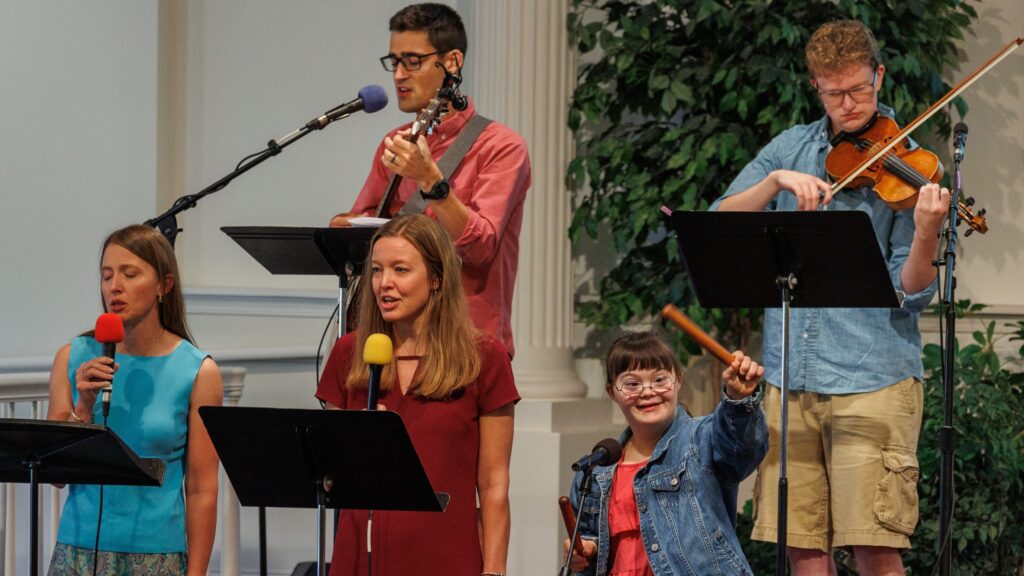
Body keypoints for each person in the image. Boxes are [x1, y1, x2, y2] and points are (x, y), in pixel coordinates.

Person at [710, 20, 947, 575]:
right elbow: (721, 218)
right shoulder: (791, 146)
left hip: (873, 378)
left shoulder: (907, 166)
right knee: (802, 547)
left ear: (879, 76)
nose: (848, 104)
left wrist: (929, 230)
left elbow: (909, 292)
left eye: (859, 90)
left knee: (875, 546)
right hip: (791, 379)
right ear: (815, 85)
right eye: (833, 92)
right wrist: (774, 184)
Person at [316, 214, 518, 576]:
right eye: (377, 270)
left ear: (436, 278)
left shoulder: (484, 358)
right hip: (360, 557)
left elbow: (493, 485)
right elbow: (329, 477)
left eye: (400, 270)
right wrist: (353, 444)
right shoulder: (349, 353)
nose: (384, 284)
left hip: (446, 557)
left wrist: (495, 569)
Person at [329, 2, 531, 357]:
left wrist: (431, 181)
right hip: (390, 342)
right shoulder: (394, 144)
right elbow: (363, 224)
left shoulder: (501, 146)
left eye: (413, 61)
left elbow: (481, 249)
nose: (399, 75)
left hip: (466, 342)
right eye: (395, 62)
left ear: (451, 62)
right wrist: (342, 227)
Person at [46, 224, 222, 575]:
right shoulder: (73, 356)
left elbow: (202, 488)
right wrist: (83, 405)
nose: (115, 286)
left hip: (157, 555)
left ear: (164, 285)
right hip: (79, 550)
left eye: (130, 274)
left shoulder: (197, 371)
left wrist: (198, 571)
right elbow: (54, 474)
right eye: (107, 275)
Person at [564, 331, 768, 575]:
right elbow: (590, 541)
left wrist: (739, 398)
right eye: (632, 383)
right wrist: (585, 550)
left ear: (679, 380)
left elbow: (743, 450)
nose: (647, 391)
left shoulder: (702, 438)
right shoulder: (598, 470)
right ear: (612, 392)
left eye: (660, 379)